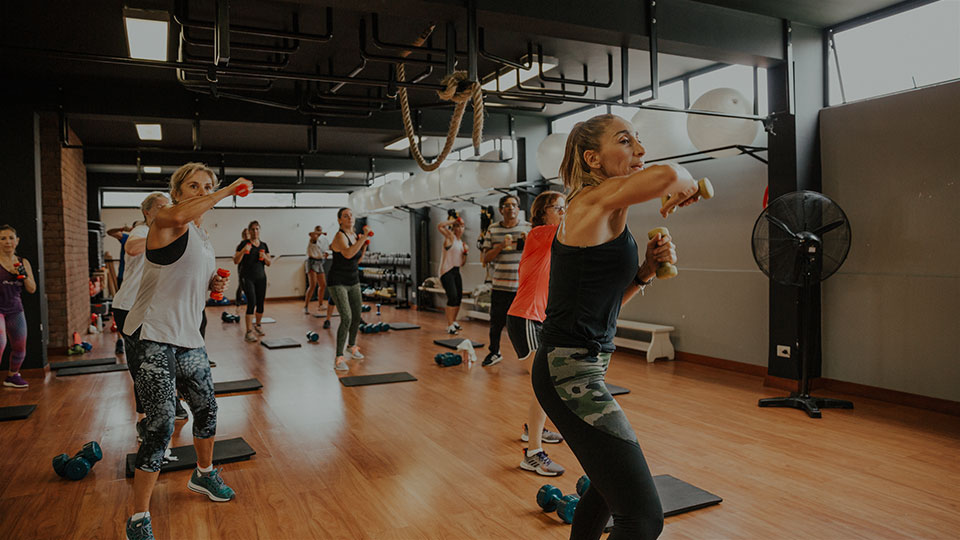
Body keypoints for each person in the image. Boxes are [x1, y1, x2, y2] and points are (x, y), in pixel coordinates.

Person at [532, 114, 700, 539]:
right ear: (593, 158)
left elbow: (599, 303)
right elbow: (666, 174)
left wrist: (644, 272)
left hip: (580, 366)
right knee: (642, 519)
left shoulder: (608, 209)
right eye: (626, 141)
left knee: (607, 490)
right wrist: (683, 179)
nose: (640, 150)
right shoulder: (588, 202)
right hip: (569, 373)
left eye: (638, 140)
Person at [122, 163, 250, 540]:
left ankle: (204, 474)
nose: (201, 190)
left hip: (188, 336)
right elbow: (178, 214)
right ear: (177, 192)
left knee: (207, 408)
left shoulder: (200, 232)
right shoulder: (167, 219)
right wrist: (226, 190)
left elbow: (186, 276)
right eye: (193, 186)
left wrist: (212, 282)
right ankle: (138, 519)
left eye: (207, 186)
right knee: (161, 424)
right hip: (152, 335)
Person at [109, 193, 192, 424]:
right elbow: (133, 248)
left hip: (156, 308)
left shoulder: (170, 232)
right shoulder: (142, 231)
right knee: (142, 369)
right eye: (160, 207)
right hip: (129, 307)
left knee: (167, 357)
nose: (166, 210)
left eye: (168, 206)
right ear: (147, 212)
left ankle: (172, 400)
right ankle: (144, 421)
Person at [505, 191, 567, 476]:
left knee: (543, 383)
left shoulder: (555, 239)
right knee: (546, 383)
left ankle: (534, 427)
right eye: (560, 208)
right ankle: (532, 453)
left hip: (538, 319)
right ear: (543, 213)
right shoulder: (540, 234)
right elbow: (576, 226)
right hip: (524, 317)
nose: (564, 212)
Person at [480, 194, 530, 366]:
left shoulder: (528, 228)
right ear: (501, 210)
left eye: (514, 205)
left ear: (518, 209)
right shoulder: (493, 230)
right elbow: (485, 258)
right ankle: (494, 352)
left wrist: (527, 242)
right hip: (500, 285)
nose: (511, 208)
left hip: (522, 287)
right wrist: (500, 246)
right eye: (507, 206)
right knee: (496, 323)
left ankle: (529, 357)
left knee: (526, 325)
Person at [326, 207, 368, 371]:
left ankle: (352, 345)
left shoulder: (354, 236)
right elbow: (349, 254)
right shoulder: (339, 236)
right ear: (339, 220)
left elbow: (357, 259)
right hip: (338, 282)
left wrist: (363, 243)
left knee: (357, 316)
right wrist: (363, 238)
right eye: (345, 216)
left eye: (351, 215)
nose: (349, 218)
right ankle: (338, 358)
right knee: (347, 317)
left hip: (353, 280)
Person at [0, 225, 37, 388]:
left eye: (10, 238)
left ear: (17, 241)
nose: (7, 242)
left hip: (15, 309)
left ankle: (12, 376)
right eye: (3, 238)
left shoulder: (23, 262)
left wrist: (24, 275)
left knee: (20, 347)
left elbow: (32, 289)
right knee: (0, 343)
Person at [233, 221, 272, 342]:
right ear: (249, 231)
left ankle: (258, 325)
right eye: (253, 229)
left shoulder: (264, 245)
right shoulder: (243, 244)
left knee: (260, 303)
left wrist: (264, 257)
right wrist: (244, 250)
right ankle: (248, 332)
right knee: (252, 302)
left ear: (259, 230)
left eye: (257, 229)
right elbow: (235, 260)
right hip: (247, 277)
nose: (255, 231)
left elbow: (269, 263)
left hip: (261, 278)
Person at [437, 213, 468, 334]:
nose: (460, 229)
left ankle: (454, 321)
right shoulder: (450, 238)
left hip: (456, 271)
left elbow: (462, 263)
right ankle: (449, 325)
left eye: (462, 226)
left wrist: (465, 253)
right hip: (446, 271)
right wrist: (453, 221)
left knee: (458, 297)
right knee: (452, 297)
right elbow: (440, 226)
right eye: (457, 226)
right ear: (454, 228)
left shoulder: (461, 243)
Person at [304, 225, 330, 315]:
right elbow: (311, 233)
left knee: (323, 284)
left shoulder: (320, 241)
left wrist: (324, 255)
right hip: (312, 262)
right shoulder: (312, 239)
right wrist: (321, 232)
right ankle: (306, 307)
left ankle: (320, 305)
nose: (319, 233)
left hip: (319, 262)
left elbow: (320, 253)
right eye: (317, 231)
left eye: (320, 231)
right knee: (312, 285)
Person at [233, 227, 249, 317]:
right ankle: (238, 302)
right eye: (245, 234)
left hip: (250, 269)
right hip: (241, 267)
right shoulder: (241, 245)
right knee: (241, 285)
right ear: (243, 236)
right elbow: (236, 257)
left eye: (248, 234)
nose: (247, 235)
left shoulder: (252, 244)